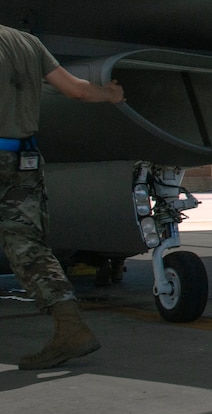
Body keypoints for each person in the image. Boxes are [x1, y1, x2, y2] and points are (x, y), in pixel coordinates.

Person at [1, 23, 124, 369]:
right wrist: (111, 94)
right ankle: (71, 328)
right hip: (21, 160)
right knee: (29, 248)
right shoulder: (28, 43)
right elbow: (78, 91)